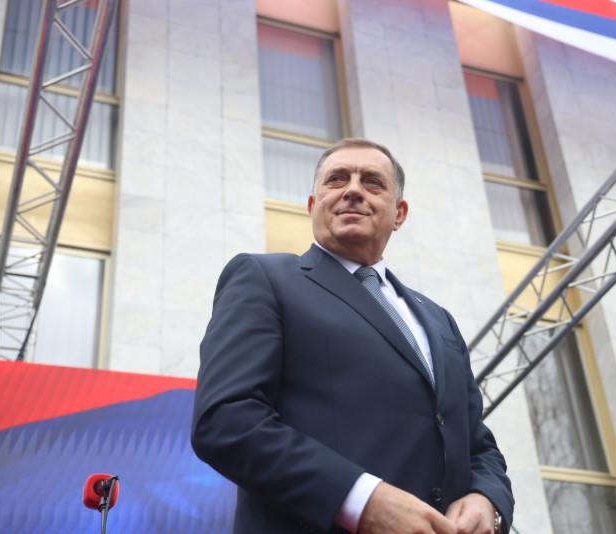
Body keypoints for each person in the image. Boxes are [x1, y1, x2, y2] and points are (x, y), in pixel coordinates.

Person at [191, 138, 514, 533]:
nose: (353, 190)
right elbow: (226, 419)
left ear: (399, 213)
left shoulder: (438, 319)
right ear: (313, 205)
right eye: (337, 179)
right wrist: (361, 501)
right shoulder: (265, 279)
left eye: (372, 182)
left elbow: (478, 444)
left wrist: (487, 499)